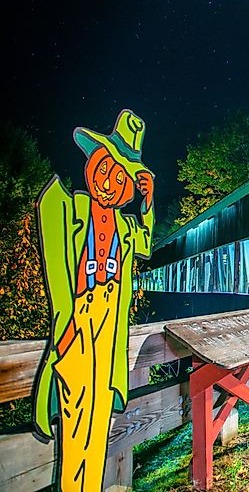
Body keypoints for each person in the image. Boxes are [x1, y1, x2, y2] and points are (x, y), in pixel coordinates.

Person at [32, 109, 154, 491]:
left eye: (121, 179)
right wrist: (65, 325)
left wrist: (148, 205)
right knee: (75, 423)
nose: (108, 183)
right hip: (79, 322)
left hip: (109, 331)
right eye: (104, 168)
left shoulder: (126, 226)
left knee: (99, 420)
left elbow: (146, 245)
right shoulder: (69, 208)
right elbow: (54, 259)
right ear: (91, 163)